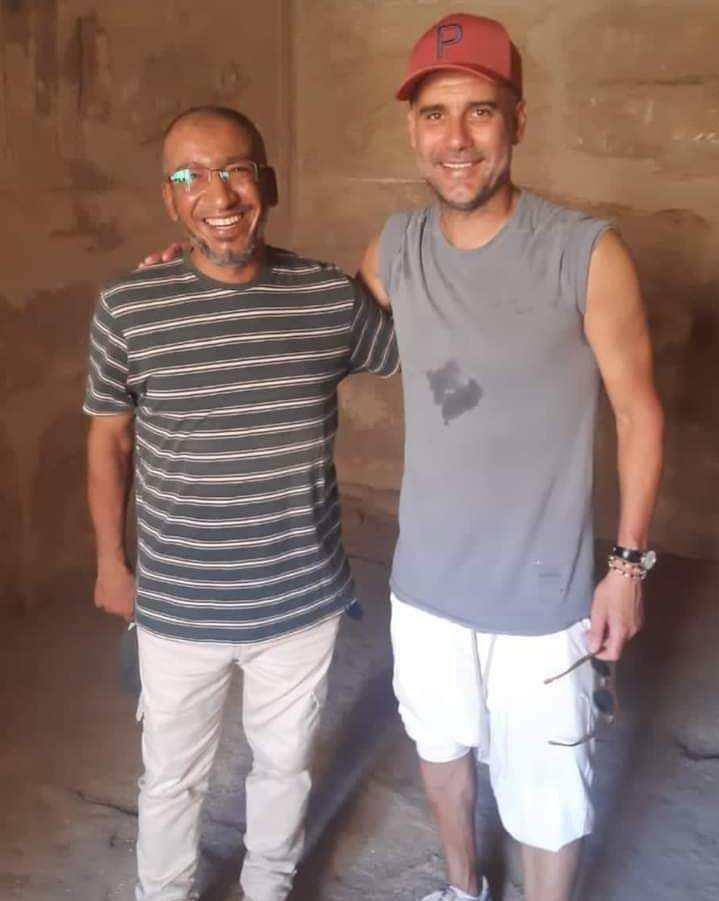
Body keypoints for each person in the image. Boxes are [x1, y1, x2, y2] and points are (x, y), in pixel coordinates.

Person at [358, 13, 664, 901]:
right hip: (424, 587)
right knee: (440, 752)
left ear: (518, 121)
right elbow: (310, 314)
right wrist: (202, 271)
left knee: (546, 797)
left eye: (479, 111)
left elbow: (638, 414)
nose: (455, 139)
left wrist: (626, 568)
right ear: (412, 129)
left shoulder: (585, 253)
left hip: (541, 596)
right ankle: (462, 888)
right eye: (434, 114)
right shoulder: (394, 248)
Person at [84, 106, 397, 901]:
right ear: (169, 200)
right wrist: (111, 562)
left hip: (300, 598)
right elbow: (109, 441)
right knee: (171, 776)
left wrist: (406, 246)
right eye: (189, 176)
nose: (218, 195)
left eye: (235, 170)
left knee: (283, 766)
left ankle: (267, 886)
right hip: (177, 602)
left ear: (269, 182)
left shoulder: (326, 297)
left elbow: (412, 338)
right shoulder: (128, 308)